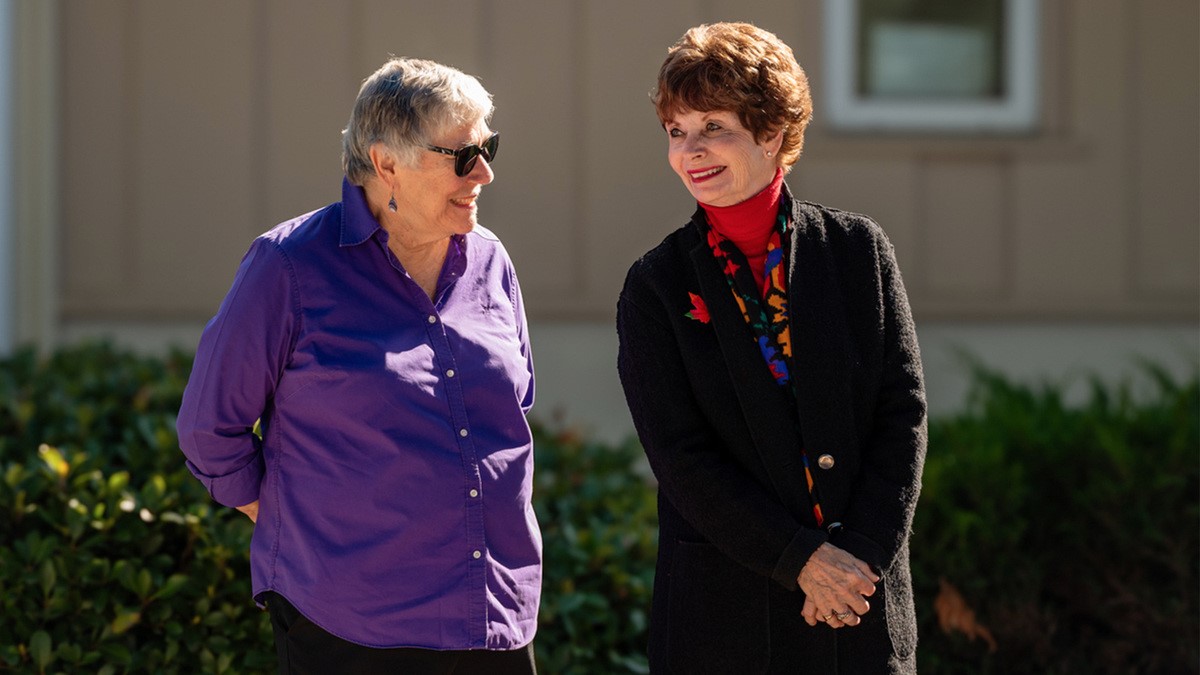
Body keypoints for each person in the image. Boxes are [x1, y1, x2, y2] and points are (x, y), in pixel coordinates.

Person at [177, 57, 539, 674]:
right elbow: (211, 432)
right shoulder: (288, 266)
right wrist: (301, 517)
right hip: (348, 622)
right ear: (386, 163)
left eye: (488, 147)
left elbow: (514, 404)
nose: (484, 172)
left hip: (491, 616)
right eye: (461, 155)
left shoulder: (490, 260)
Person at [616, 23, 927, 674]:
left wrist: (858, 561)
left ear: (772, 133)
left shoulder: (857, 252)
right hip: (723, 623)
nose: (691, 151)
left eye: (714, 128)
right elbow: (681, 457)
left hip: (856, 614)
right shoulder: (657, 285)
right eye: (678, 131)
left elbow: (902, 416)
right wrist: (803, 561)